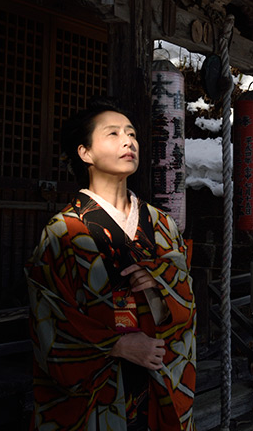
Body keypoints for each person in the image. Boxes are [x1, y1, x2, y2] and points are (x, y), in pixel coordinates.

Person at [25, 97, 196, 431]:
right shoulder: (63, 230)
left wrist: (159, 283)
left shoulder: (163, 224)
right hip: (97, 388)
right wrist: (116, 345)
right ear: (85, 153)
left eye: (131, 134)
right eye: (113, 133)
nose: (128, 141)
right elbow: (48, 314)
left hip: (156, 375)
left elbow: (187, 298)